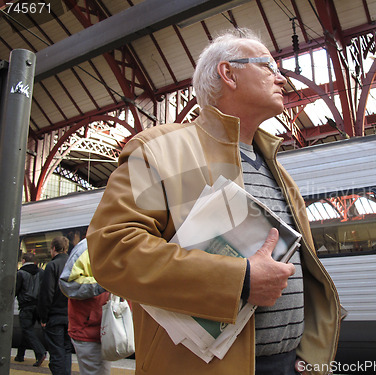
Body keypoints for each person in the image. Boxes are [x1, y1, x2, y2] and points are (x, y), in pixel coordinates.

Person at [87, 28, 341, 375]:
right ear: (228, 73)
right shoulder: (160, 150)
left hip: (291, 363)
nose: (281, 78)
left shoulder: (277, 169)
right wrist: (241, 279)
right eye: (268, 66)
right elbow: (113, 251)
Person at [59, 238, 111, 375]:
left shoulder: (117, 243)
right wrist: (106, 284)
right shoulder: (87, 247)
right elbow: (68, 284)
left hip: (107, 327)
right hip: (89, 328)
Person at [38, 236, 72, 375]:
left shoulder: (52, 266)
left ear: (53, 248)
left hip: (55, 316)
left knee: (57, 353)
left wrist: (43, 318)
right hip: (71, 316)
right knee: (67, 350)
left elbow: (47, 293)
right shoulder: (73, 263)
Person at [14, 252, 47, 367]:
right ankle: (20, 355)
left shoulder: (20, 274)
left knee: (27, 329)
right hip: (38, 306)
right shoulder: (41, 273)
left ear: (23, 261)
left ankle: (40, 352)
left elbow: (16, 291)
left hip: (26, 306)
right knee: (26, 330)